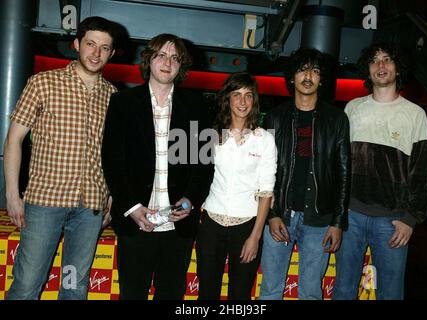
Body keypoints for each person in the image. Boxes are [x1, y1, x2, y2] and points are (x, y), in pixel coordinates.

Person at [4, 16, 117, 300]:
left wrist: (112, 199)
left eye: (104, 48)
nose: (96, 53)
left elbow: (115, 156)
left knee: (73, 285)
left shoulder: (114, 97)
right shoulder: (43, 83)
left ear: (112, 53)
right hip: (44, 202)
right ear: (77, 44)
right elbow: (14, 139)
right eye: (90, 44)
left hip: (89, 207)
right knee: (28, 283)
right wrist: (12, 193)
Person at [101, 33, 209, 300]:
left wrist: (190, 201)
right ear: (148, 60)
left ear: (181, 66)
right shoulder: (123, 103)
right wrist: (132, 208)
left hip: (178, 225)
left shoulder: (197, 106)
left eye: (175, 57)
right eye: (161, 54)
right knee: (132, 294)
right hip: (136, 220)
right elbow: (112, 160)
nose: (167, 62)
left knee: (171, 294)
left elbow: (204, 163)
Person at [333, 42, 427, 300]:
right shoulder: (352, 108)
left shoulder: (415, 114)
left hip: (392, 221)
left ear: (398, 68)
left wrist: (410, 219)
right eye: (375, 60)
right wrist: (337, 212)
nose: (381, 65)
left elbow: (423, 173)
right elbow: (338, 163)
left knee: (389, 294)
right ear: (367, 70)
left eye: (387, 59)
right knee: (343, 290)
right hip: (350, 217)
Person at [259, 47, 351, 300]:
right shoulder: (275, 118)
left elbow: (344, 173)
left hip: (320, 220)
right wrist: (273, 215)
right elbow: (265, 170)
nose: (308, 75)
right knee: (270, 290)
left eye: (315, 70)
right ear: (292, 77)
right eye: (302, 69)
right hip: (281, 216)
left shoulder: (337, 119)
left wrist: (337, 222)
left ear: (322, 79)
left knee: (311, 293)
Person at [196, 72, 277, 300]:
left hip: (247, 225)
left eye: (248, 96)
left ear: (254, 101)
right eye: (237, 95)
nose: (242, 102)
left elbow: (266, 191)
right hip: (211, 223)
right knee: (207, 293)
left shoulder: (264, 139)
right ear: (227, 99)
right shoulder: (211, 135)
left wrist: (255, 236)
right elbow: (198, 179)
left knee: (240, 295)